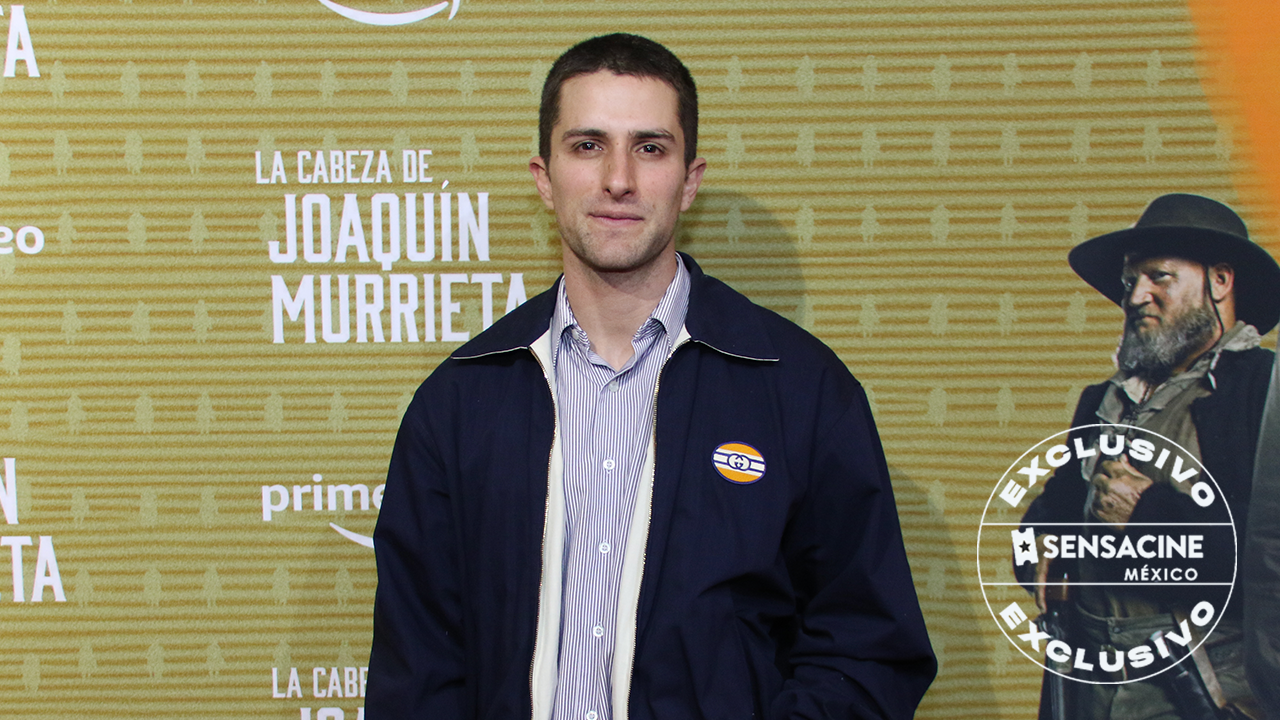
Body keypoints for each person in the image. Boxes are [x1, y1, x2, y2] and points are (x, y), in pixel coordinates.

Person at [364, 32, 935, 720]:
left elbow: (868, 650)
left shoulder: (802, 391)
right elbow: (416, 672)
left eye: (650, 148)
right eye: (588, 145)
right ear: (544, 177)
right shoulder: (460, 400)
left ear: (689, 181)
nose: (618, 179)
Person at [1018, 193, 1280, 719]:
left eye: (1158, 277)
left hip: (1206, 693)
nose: (1136, 296)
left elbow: (1266, 561)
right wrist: (1042, 543)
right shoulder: (1103, 400)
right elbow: (1051, 515)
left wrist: (1148, 515)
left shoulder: (1264, 391)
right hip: (1091, 689)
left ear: (1220, 281)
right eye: (1129, 282)